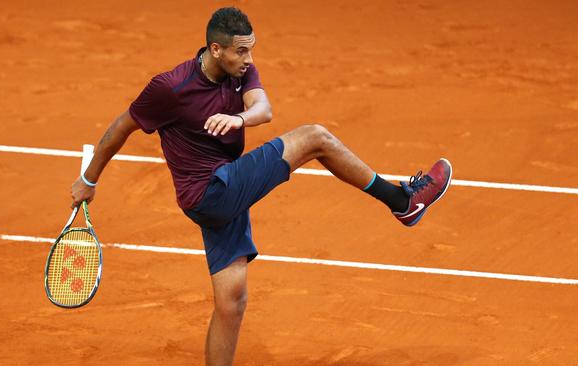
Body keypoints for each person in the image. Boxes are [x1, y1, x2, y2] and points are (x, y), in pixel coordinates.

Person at [70, 7, 452, 366]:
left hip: (225, 190)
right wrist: (89, 179)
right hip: (211, 191)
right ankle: (401, 201)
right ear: (216, 49)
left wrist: (239, 119)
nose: (249, 59)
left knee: (231, 302)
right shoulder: (170, 88)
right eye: (240, 52)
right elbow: (120, 128)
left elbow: (263, 110)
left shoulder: (241, 71)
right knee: (315, 137)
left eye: (251, 50)